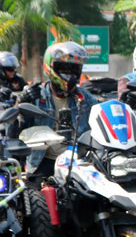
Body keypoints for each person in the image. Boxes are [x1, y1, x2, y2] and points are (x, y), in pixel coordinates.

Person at [14, 41, 97, 172]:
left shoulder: (85, 98)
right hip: (43, 161)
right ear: (50, 68)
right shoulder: (36, 95)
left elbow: (102, 120)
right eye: (63, 69)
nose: (68, 74)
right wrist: (20, 102)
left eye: (73, 69)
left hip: (79, 162)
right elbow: (13, 132)